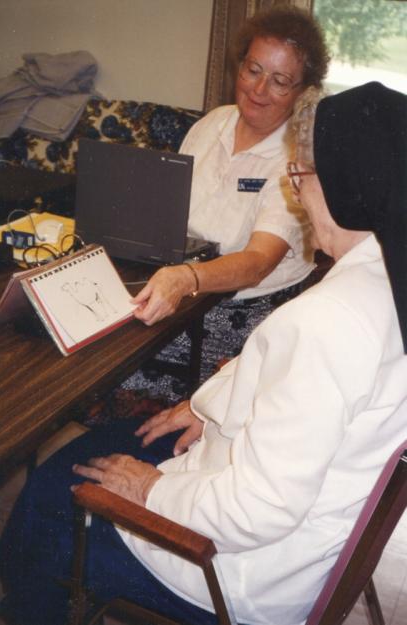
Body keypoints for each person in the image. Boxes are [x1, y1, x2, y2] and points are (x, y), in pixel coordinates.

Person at [0, 81, 407, 625]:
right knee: (104, 449)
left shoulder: (326, 322)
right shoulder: (386, 279)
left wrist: (150, 488)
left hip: (227, 573)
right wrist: (206, 407)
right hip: (286, 543)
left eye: (301, 175)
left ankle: (28, 606)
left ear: (347, 188)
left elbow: (262, 509)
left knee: (51, 490)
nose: (297, 192)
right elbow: (295, 388)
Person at [116, 5, 330, 401]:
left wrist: (187, 278)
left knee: (115, 372)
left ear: (302, 91)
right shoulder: (212, 123)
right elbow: (169, 213)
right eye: (253, 70)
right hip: (179, 286)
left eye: (280, 81)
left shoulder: (296, 157)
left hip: (239, 310)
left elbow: (256, 264)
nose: (258, 89)